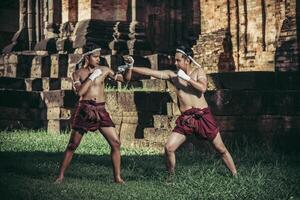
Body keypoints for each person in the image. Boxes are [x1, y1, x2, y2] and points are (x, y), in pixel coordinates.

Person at [126, 45, 237, 179]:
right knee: (169, 147)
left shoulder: (198, 71)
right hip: (186, 119)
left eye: (178, 60)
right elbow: (150, 72)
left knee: (221, 149)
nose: (175, 63)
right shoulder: (173, 75)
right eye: (175, 60)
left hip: (203, 117)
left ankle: (235, 175)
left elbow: (202, 88)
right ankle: (170, 176)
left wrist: (187, 78)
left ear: (187, 60)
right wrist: (131, 67)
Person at [54, 47, 131, 184]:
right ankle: (60, 176)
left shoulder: (105, 69)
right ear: (87, 57)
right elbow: (80, 93)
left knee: (116, 143)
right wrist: (92, 77)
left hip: (101, 110)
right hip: (85, 109)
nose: (98, 59)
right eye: (95, 56)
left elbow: (124, 79)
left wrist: (129, 68)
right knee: (72, 145)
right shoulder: (77, 73)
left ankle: (118, 178)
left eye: (99, 56)